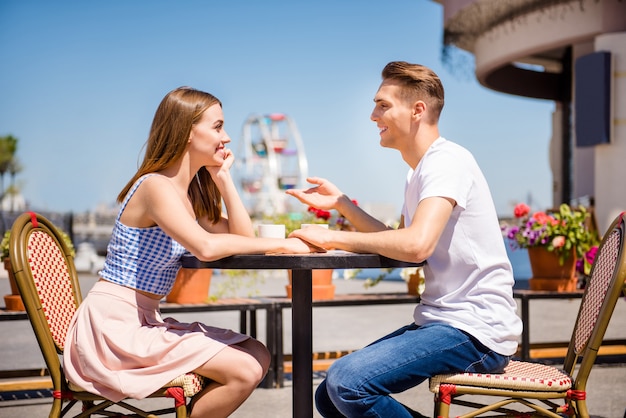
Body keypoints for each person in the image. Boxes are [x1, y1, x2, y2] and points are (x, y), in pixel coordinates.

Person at [286, 61, 523, 417]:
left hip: (476, 331)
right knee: (328, 395)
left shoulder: (447, 161)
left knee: (348, 384)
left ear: (417, 110)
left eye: (382, 104)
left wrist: (332, 238)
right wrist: (342, 204)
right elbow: (400, 241)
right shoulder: (420, 172)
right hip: (446, 322)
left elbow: (416, 246)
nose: (372, 115)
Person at [63, 87, 314, 418]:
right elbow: (206, 247)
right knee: (245, 368)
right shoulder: (155, 186)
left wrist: (224, 181)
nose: (226, 137)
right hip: (114, 328)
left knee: (257, 354)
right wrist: (283, 244)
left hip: (144, 321)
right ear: (185, 131)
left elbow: (242, 236)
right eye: (217, 126)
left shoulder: (188, 196)